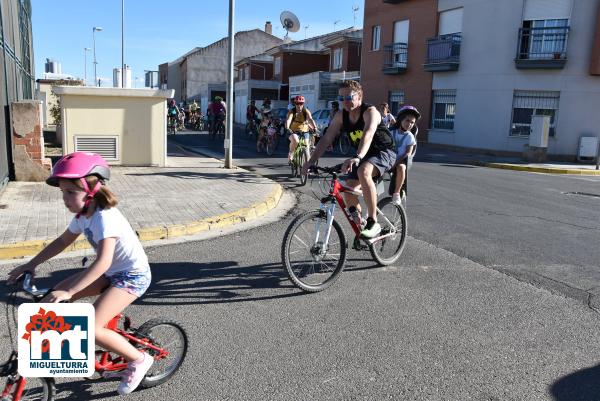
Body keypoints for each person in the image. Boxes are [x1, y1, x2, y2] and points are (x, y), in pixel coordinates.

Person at [7, 152, 153, 395]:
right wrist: (30, 264)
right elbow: (62, 241)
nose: (64, 198)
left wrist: (71, 291)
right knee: (51, 299)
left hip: (131, 276)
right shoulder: (83, 215)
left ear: (91, 191)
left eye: (70, 192)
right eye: (62, 192)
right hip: (109, 272)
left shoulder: (105, 218)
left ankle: (139, 359)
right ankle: (74, 353)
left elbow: (104, 261)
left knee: (91, 328)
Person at [301, 80, 396, 238]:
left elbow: (368, 134)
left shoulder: (370, 112)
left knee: (364, 171)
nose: (344, 101)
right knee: (349, 190)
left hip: (384, 151)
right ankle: (362, 228)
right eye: (340, 98)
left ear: (359, 97)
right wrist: (310, 162)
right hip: (363, 155)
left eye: (349, 97)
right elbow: (326, 139)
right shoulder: (340, 116)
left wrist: (357, 157)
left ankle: (373, 222)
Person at [390, 105, 419, 205]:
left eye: (412, 122)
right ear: (400, 119)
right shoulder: (391, 132)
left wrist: (396, 162)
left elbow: (408, 153)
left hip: (400, 160)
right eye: (407, 120)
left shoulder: (410, 137)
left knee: (401, 167)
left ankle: (397, 192)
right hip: (388, 159)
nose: (409, 124)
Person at [285, 95, 317, 163]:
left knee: (307, 148)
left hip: (304, 131)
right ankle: (291, 153)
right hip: (293, 131)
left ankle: (307, 168)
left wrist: (315, 127)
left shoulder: (306, 111)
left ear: (303, 104)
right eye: (297, 103)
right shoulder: (292, 111)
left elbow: (310, 119)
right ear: (295, 104)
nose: (299, 105)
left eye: (301, 103)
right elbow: (289, 120)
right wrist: (287, 127)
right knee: (295, 141)